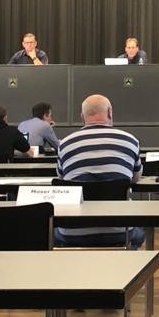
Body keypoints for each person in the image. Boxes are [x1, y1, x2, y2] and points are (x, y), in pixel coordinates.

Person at [55, 94, 144, 247]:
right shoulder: (130, 141)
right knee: (139, 232)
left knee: (54, 231)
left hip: (72, 231)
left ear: (82, 117)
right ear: (110, 112)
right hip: (120, 229)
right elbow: (135, 179)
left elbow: (63, 180)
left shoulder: (65, 144)